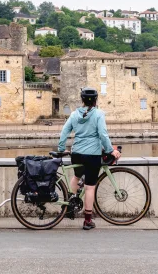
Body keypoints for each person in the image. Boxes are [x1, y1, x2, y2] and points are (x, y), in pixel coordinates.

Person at [58, 87, 120, 230]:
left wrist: (61, 149)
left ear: (82, 100)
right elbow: (103, 134)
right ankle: (87, 221)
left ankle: (69, 207)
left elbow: (64, 132)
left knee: (76, 176)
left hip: (77, 153)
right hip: (92, 155)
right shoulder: (98, 114)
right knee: (90, 187)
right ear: (96, 100)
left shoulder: (74, 114)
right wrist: (111, 150)